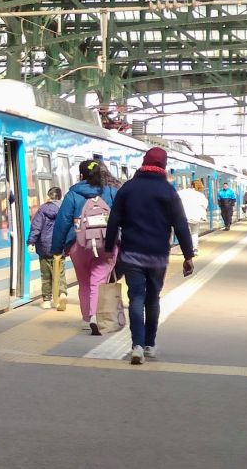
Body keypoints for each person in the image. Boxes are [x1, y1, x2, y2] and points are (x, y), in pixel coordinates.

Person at [105, 147, 194, 365]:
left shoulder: (128, 188)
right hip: (157, 255)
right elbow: (181, 225)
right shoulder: (168, 191)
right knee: (153, 298)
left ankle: (136, 345)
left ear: (144, 162)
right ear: (163, 165)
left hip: (131, 252)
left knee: (136, 297)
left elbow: (113, 220)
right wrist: (188, 255)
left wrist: (109, 249)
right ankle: (149, 345)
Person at [52, 160, 118, 335]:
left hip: (78, 244)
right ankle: (96, 316)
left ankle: (86, 318)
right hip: (106, 244)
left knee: (84, 282)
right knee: (99, 280)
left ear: (81, 175)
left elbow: (63, 221)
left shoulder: (73, 193)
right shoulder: (111, 192)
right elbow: (122, 217)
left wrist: (57, 249)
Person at [28, 187, 68, 311]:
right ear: (60, 197)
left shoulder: (42, 210)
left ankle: (46, 300)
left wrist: (31, 242)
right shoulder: (65, 209)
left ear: (48, 197)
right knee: (59, 273)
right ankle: (61, 294)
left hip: (44, 248)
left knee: (46, 275)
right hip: (60, 247)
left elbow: (36, 227)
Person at [178, 180, 208, 256]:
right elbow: (205, 205)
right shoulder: (200, 195)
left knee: (186, 234)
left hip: (184, 216)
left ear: (191, 185)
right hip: (196, 217)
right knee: (194, 233)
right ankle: (195, 249)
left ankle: (186, 250)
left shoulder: (183, 192)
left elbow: (174, 197)